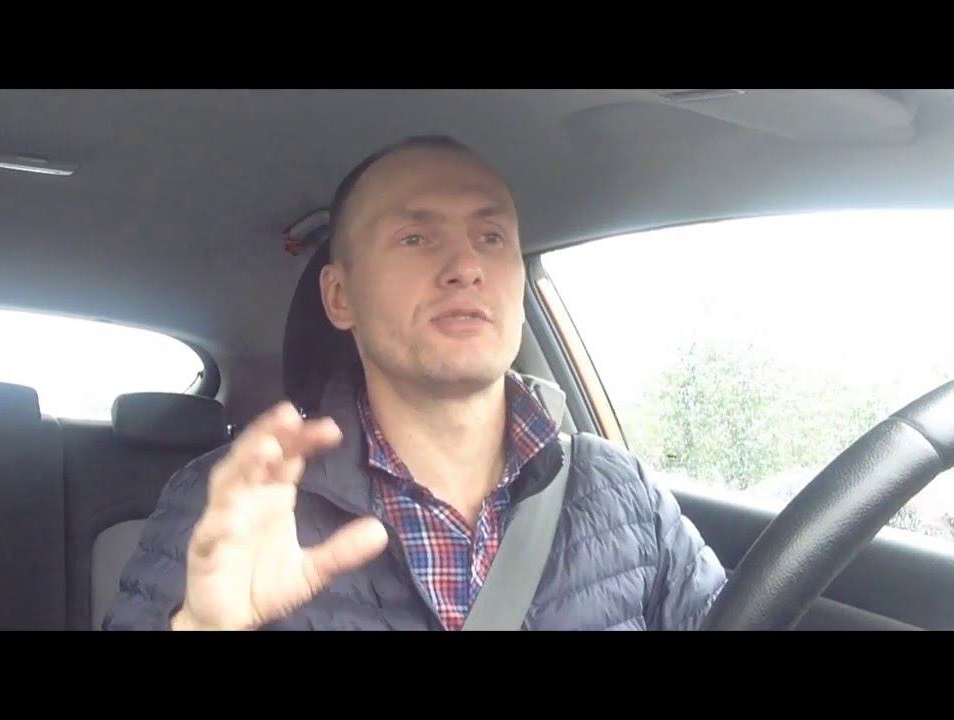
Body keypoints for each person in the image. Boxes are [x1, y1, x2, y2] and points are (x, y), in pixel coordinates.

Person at [104, 135, 727, 631]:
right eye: (416, 238)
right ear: (340, 296)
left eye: (491, 237)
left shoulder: (623, 495)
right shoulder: (229, 506)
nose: (466, 267)